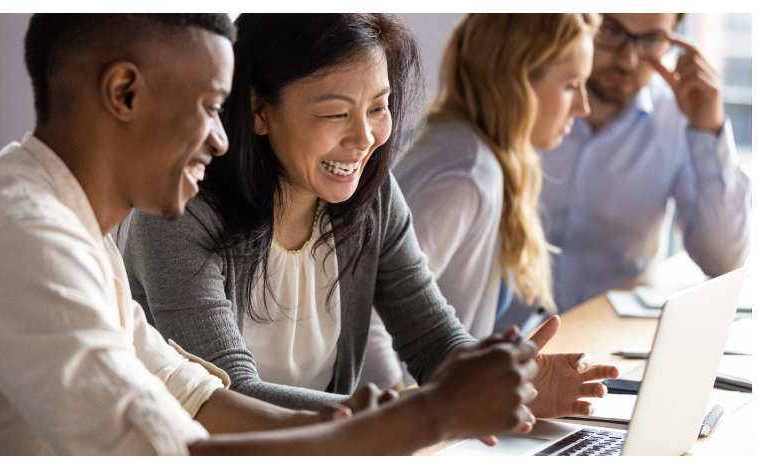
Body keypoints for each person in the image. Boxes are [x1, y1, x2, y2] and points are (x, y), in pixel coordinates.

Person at [0, 13, 545, 456]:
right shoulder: (22, 233)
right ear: (125, 93)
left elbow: (188, 392)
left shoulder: (70, 221)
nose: (221, 138)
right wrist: (425, 418)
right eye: (211, 106)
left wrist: (408, 418)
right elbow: (163, 452)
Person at [123, 13, 617, 418]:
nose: (365, 139)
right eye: (336, 113)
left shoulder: (371, 196)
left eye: (378, 107)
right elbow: (228, 399)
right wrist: (429, 412)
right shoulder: (180, 213)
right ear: (257, 109)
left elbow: (432, 339)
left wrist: (506, 384)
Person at [360, 13, 600, 389]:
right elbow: (368, 315)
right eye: (572, 85)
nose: (584, 105)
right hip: (418, 424)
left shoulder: (472, 149)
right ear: (517, 81)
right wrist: (402, 424)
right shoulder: (467, 176)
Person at [530, 13, 751, 313]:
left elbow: (724, 261)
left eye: (651, 40)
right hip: (507, 335)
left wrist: (708, 129)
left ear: (674, 37)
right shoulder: (523, 104)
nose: (629, 60)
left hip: (613, 333)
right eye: (610, 30)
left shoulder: (677, 118)